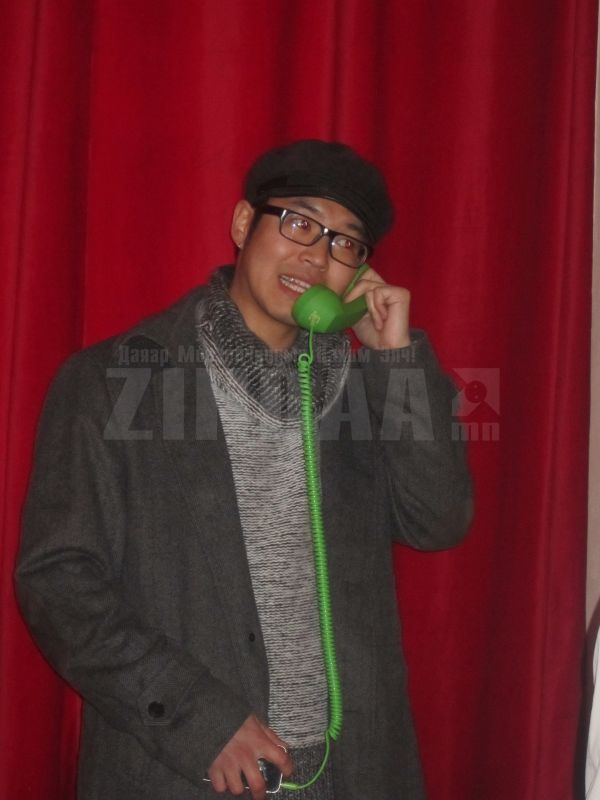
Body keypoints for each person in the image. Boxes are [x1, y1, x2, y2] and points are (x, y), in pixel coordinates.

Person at [16, 139, 473, 800]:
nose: (316, 256)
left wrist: (394, 359)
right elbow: (58, 581)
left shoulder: (366, 390)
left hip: (350, 774)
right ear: (241, 224)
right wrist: (198, 719)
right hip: (187, 769)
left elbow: (439, 520)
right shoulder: (112, 382)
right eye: (298, 222)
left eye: (346, 243)